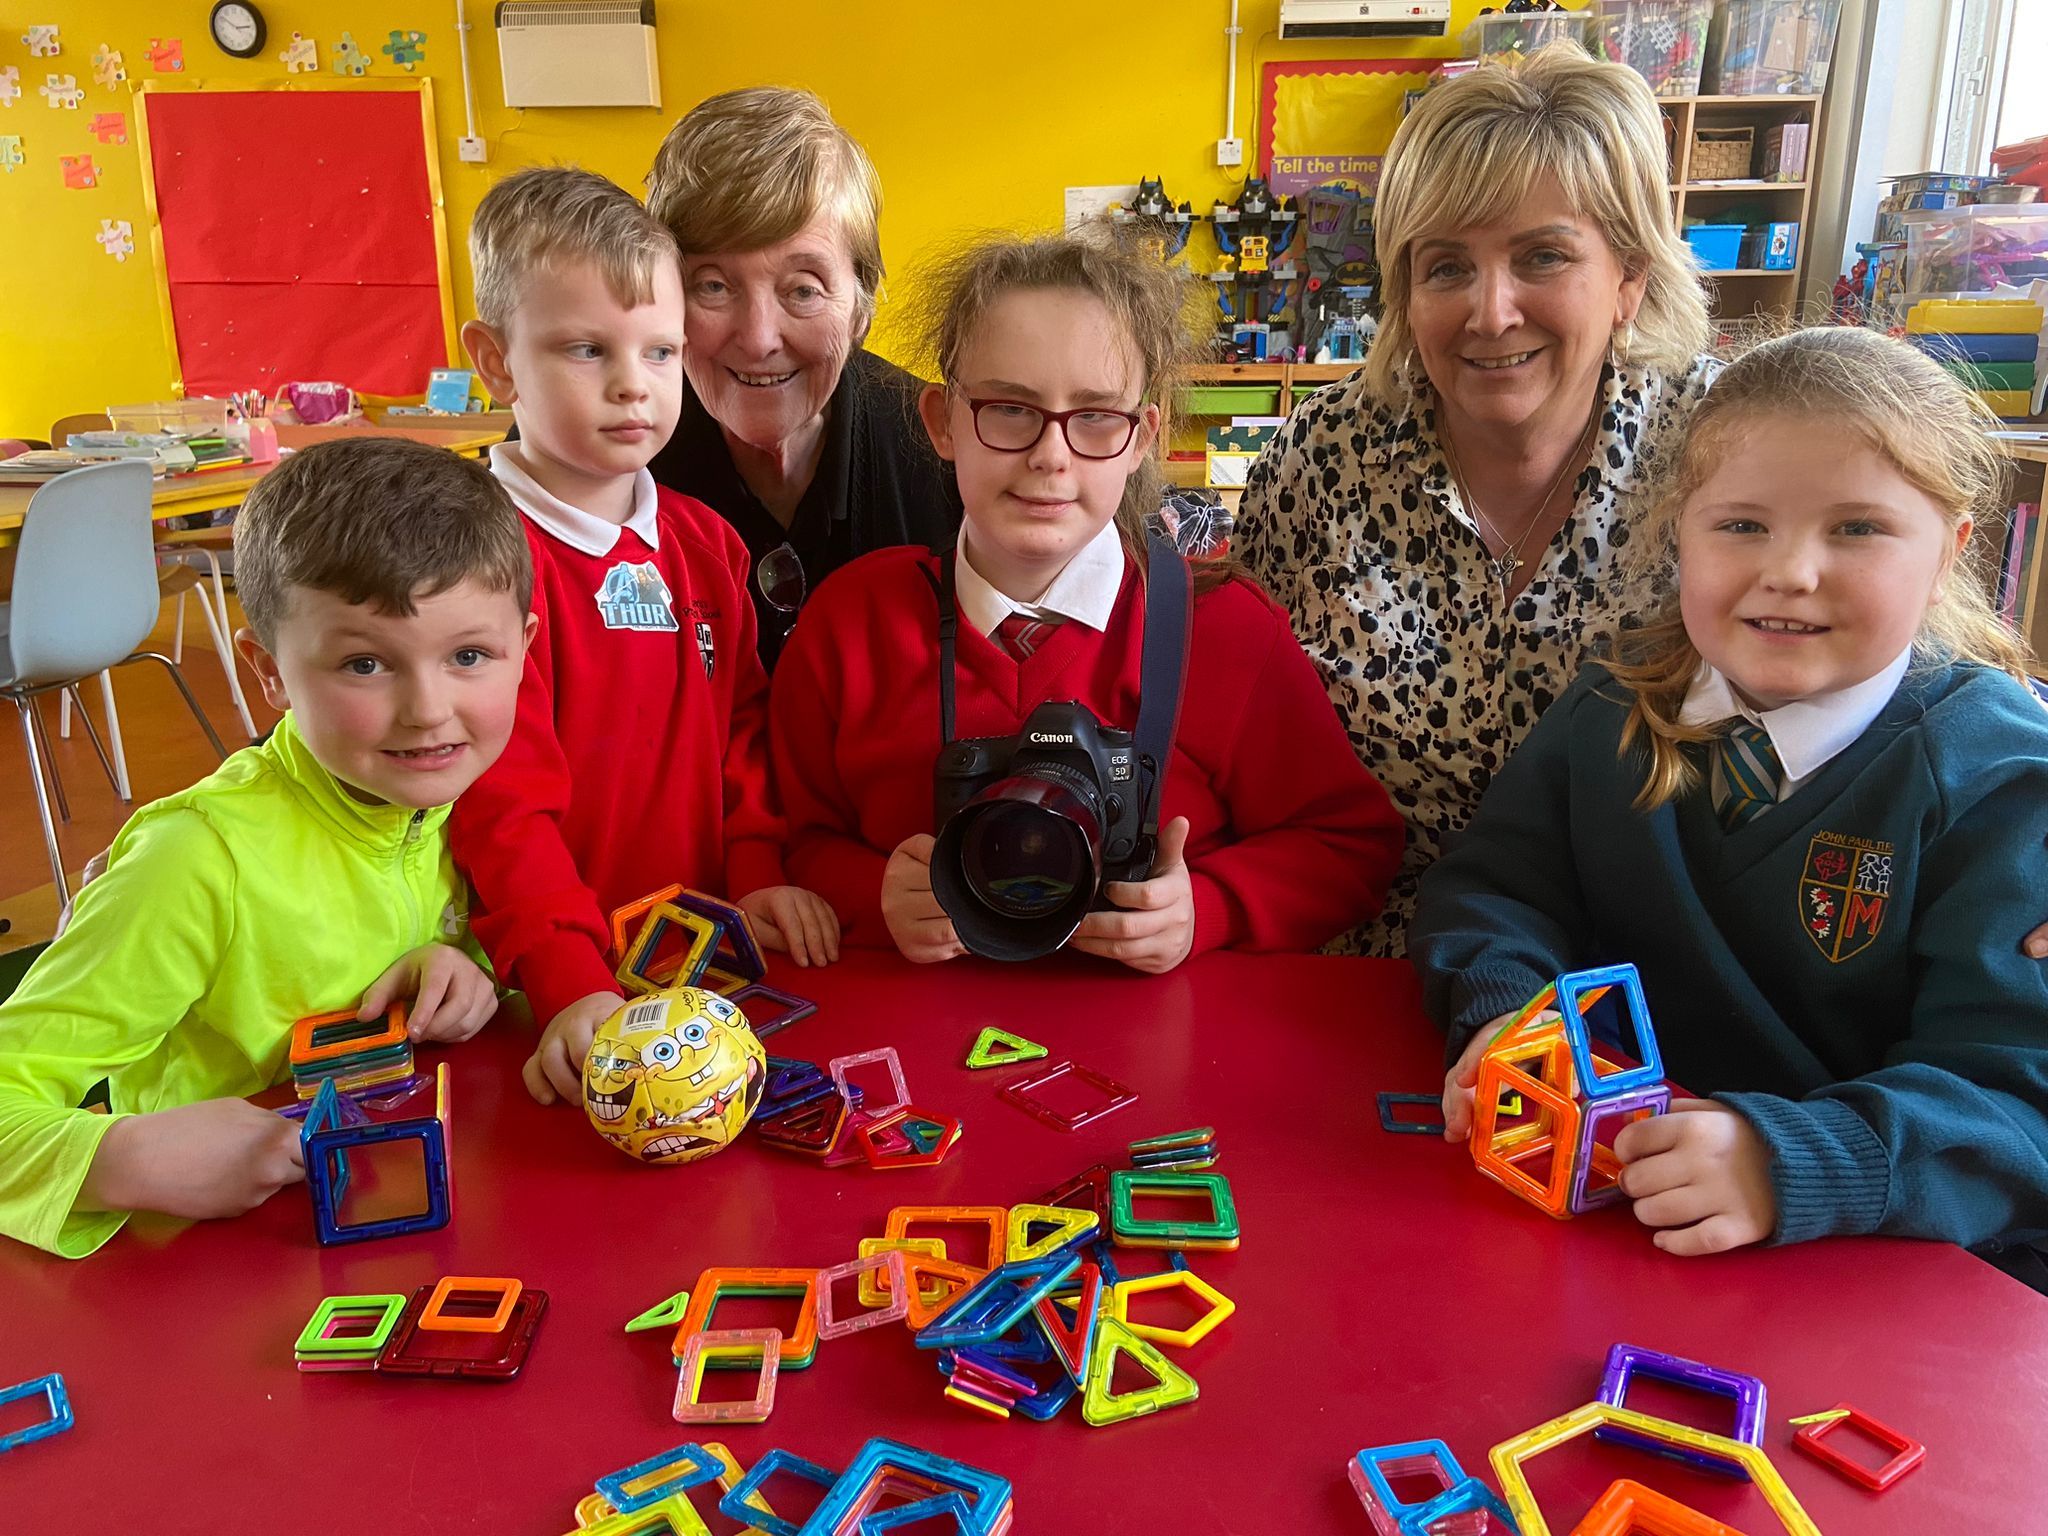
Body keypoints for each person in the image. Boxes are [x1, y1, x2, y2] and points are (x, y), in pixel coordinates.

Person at [1410, 329, 2048, 1281]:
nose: (1791, 571)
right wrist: (1515, 1013)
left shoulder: (1996, 778)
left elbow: (2012, 1099)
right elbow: (1497, 889)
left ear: (1951, 548)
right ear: (1680, 533)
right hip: (1610, 1234)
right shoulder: (1610, 708)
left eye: (1858, 528)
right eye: (1741, 524)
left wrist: (1790, 1162)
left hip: (1881, 1273)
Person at [771, 229, 1404, 972]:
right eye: (1009, 408)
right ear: (943, 421)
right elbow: (789, 840)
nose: (1051, 454)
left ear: (1143, 437)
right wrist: (871, 892)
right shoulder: (852, 623)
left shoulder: (1224, 633)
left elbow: (1352, 845)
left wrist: (1209, 907)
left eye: (1097, 416)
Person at [1236, 47, 1718, 956]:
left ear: (1629, 277)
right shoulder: (1320, 459)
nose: (1490, 312)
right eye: (1447, 266)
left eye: (1543, 257)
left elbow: (1903, 671)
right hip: (1362, 971)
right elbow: (1230, 726)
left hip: (1646, 994)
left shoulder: (1723, 450)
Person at [0, 439, 534, 1257]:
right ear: (268, 672)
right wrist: (117, 1156)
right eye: (365, 663)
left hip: (400, 1228)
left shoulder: (478, 796)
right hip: (202, 1274)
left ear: (525, 646)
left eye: (469, 656)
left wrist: (462, 967)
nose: (430, 710)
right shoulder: (196, 860)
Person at [453, 168, 837, 1108]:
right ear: (495, 360)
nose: (634, 387)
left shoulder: (707, 546)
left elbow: (742, 729)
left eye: (661, 353)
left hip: (700, 971)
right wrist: (565, 979)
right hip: (533, 995)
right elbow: (496, 801)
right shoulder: (470, 563)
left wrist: (753, 875)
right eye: (587, 350)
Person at [643, 86, 960, 670]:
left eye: (803, 289)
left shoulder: (946, 457)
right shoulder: (596, 457)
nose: (760, 337)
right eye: (713, 284)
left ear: (862, 308)